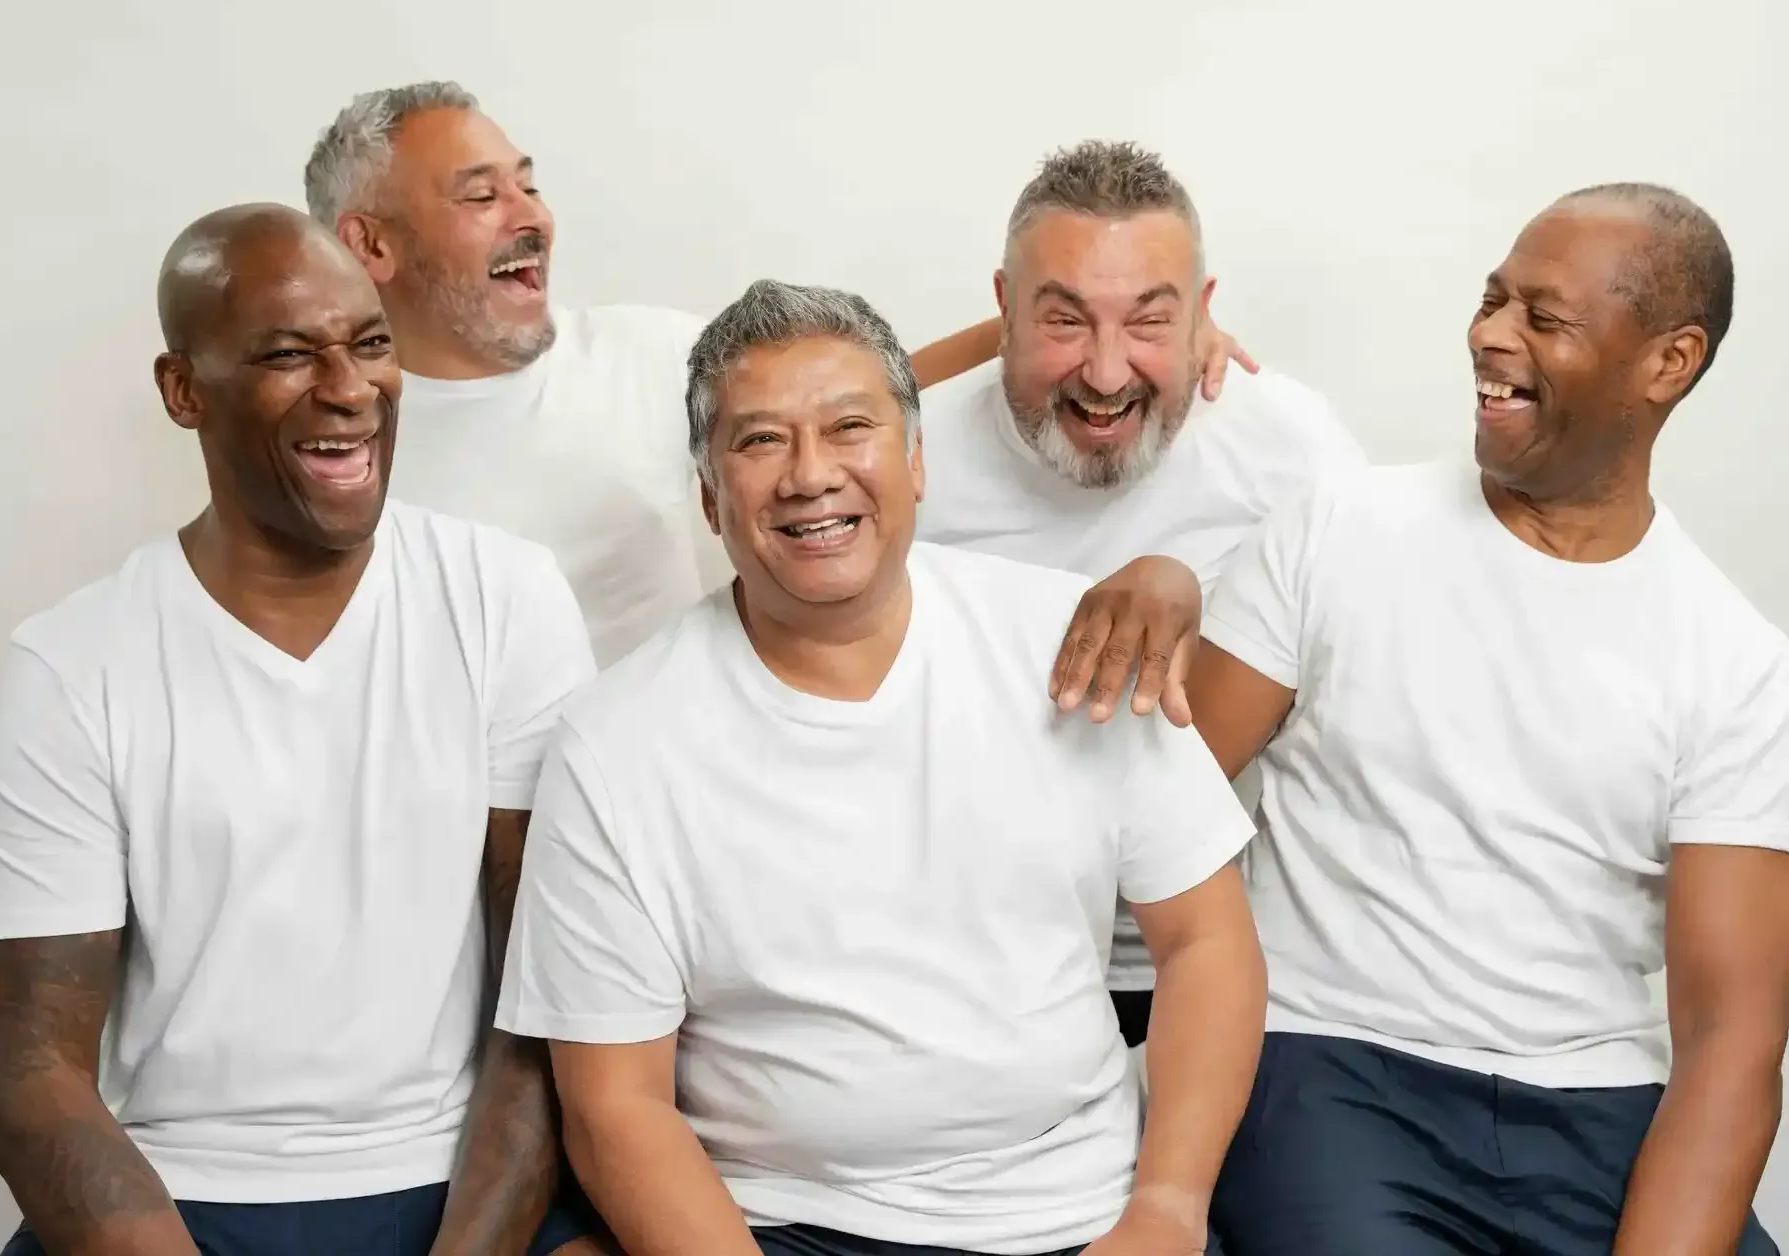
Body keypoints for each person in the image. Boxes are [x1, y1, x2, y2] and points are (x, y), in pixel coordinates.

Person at [500, 279, 1268, 1256]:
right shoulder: (615, 742)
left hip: (1079, 1208)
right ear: (708, 495)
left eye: (849, 427)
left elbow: (1206, 940)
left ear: (914, 463)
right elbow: (617, 1105)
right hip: (781, 1220)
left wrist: (1166, 1204)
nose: (811, 474)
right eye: (761, 439)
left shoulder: (1068, 637)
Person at [0, 203, 597, 1256]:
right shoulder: (73, 662)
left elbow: (547, 998)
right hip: (179, 1196)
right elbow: (26, 1066)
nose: (349, 390)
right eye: (289, 354)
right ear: (184, 390)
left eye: (370, 345)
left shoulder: (506, 597)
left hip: (464, 1182)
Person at [1187, 185, 1789, 1254]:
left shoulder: (1735, 662)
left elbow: (1731, 1037)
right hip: (1332, 1064)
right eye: (1491, 299)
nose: (1489, 335)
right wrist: (1160, 583)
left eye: (1542, 319)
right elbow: (1146, 800)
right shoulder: (1342, 526)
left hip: (1599, 1100)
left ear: (1668, 361)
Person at [302, 84, 1252, 668]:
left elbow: (865, 396)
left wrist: (1116, 335)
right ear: (369, 243)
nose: (532, 214)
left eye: (529, 182)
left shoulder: (646, 355)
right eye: (482, 194)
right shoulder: (337, 448)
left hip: (692, 796)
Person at [914, 140, 1366, 1049]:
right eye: (1065, 320)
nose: (1108, 373)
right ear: (1003, 307)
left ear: (1203, 313)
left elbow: (1360, 705)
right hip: (960, 964)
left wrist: (1187, 602)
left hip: (1221, 963)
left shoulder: (1290, 447)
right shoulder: (905, 455)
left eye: (1149, 322)